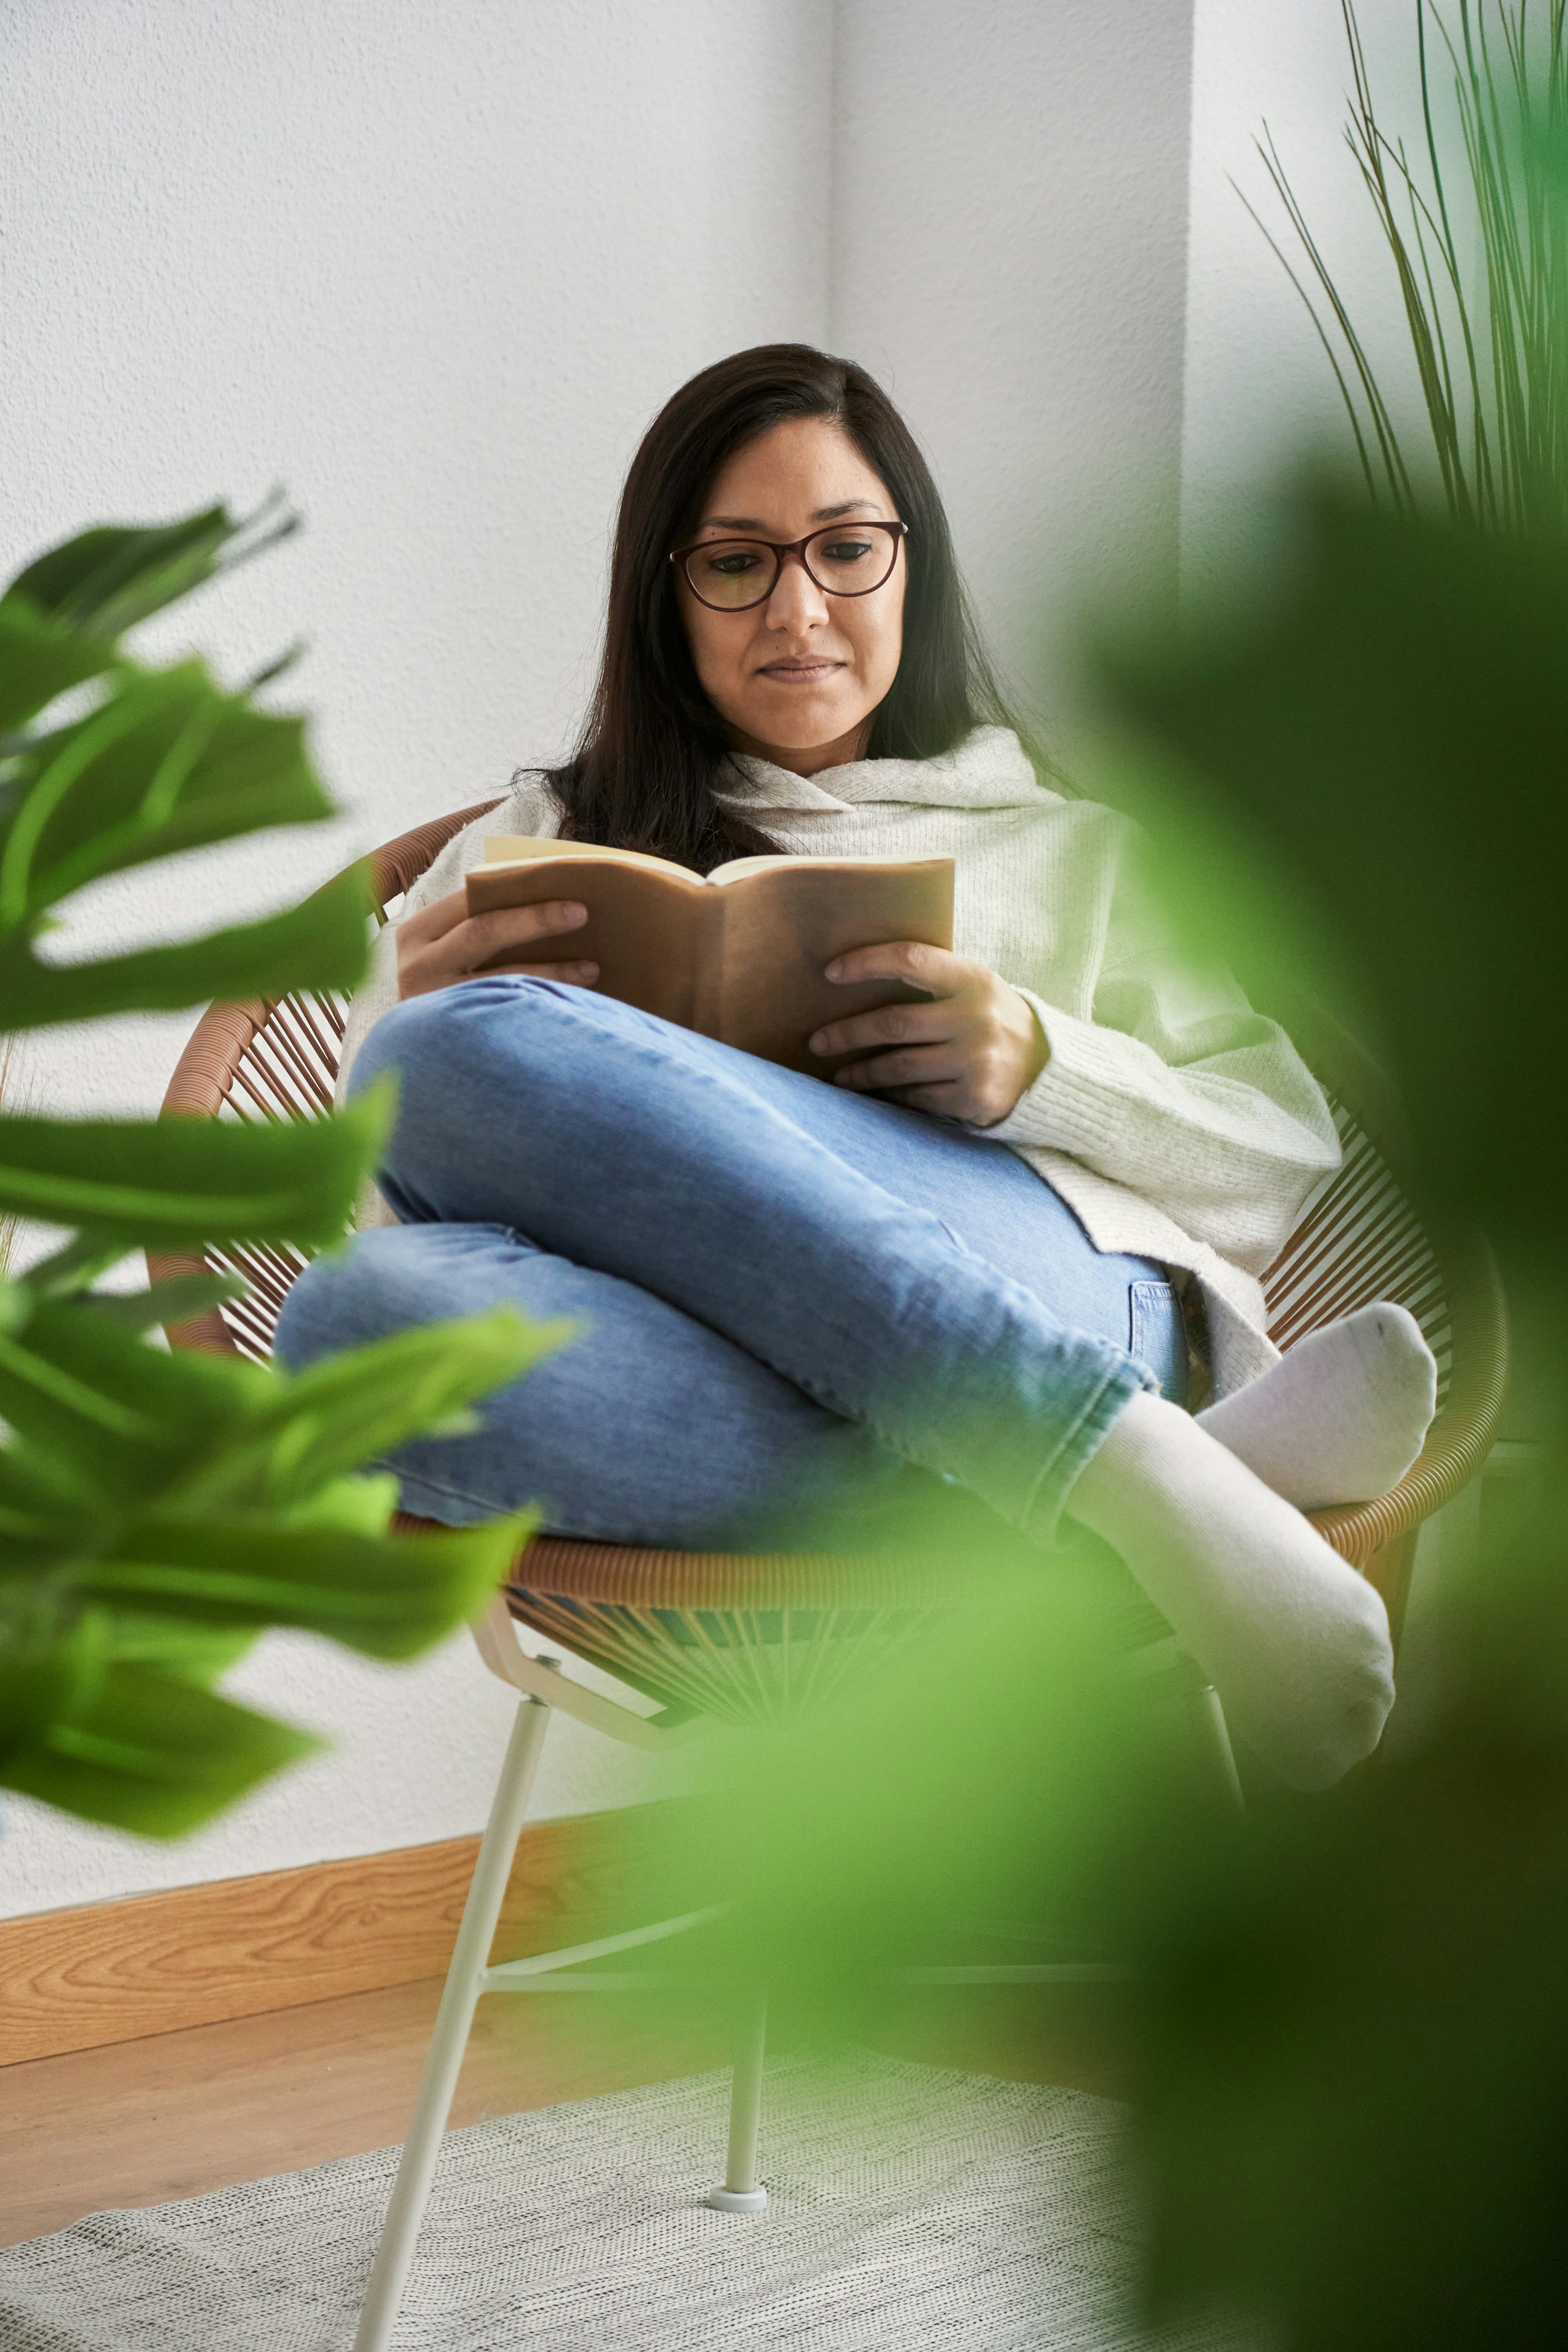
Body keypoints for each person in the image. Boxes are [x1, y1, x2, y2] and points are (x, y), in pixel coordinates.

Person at [277, 345, 1434, 1789]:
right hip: (689, 1352)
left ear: (911, 568)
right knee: (350, 1321)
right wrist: (409, 1021)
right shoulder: (541, 840)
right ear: (665, 598)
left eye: (843, 550)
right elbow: (367, 1202)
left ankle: (1101, 1444)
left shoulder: (1085, 851)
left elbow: (1281, 1152)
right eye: (736, 564)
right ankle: (1158, 1476)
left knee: (442, 1060)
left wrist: (1041, 1067)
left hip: (1055, 1288)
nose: (797, 609)